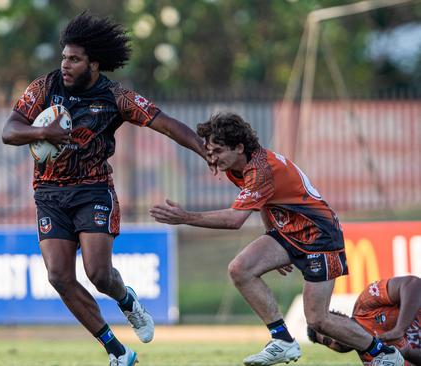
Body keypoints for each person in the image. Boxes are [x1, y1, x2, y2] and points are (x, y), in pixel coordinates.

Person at [2, 12, 207, 366]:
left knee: (98, 274)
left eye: (75, 59)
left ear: (94, 64)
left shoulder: (114, 97)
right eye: (64, 57)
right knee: (59, 277)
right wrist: (42, 133)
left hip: (93, 190)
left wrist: (206, 153)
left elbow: (167, 124)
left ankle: (127, 301)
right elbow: (9, 131)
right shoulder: (43, 88)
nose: (65, 65)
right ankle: (117, 351)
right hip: (49, 194)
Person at [149, 112, 404, 366]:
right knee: (241, 269)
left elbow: (234, 220)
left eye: (217, 151)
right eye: (209, 150)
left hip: (319, 236)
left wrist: (185, 217)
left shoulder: (261, 170)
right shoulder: (238, 166)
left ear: (239, 147)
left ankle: (382, 352)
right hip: (289, 232)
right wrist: (274, 237)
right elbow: (265, 203)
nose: (211, 157)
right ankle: (282, 340)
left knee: (317, 320)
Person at [308, 275, 421, 366]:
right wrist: (406, 353)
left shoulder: (366, 304)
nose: (335, 339)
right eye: (328, 342)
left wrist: (399, 329)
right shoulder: (373, 362)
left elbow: (414, 284)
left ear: (341, 316)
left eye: (332, 329)